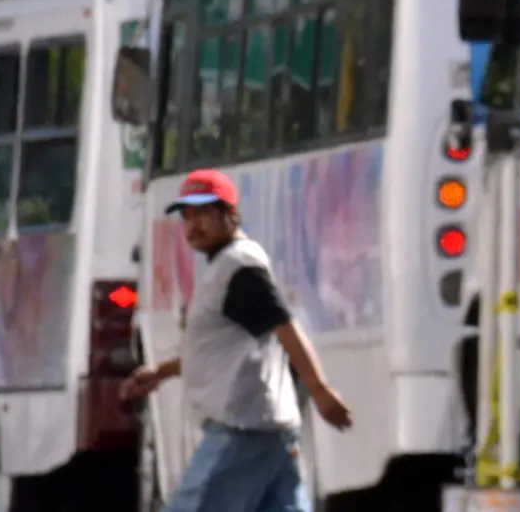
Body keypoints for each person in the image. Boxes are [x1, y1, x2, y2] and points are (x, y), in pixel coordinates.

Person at [121, 169, 353, 512]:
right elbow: (221, 351)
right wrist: (161, 372)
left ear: (230, 214)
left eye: (203, 213)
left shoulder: (239, 269)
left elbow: (285, 327)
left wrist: (319, 390)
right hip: (269, 431)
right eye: (187, 216)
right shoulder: (225, 269)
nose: (193, 224)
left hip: (243, 429)